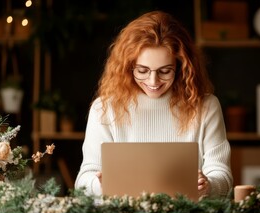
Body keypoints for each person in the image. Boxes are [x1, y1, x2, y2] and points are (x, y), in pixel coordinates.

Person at [75, 10, 232, 199]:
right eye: (142, 70)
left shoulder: (206, 106)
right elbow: (83, 179)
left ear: (181, 67)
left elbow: (222, 175)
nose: (153, 81)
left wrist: (209, 186)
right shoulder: (104, 109)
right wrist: (99, 184)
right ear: (128, 66)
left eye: (165, 71)